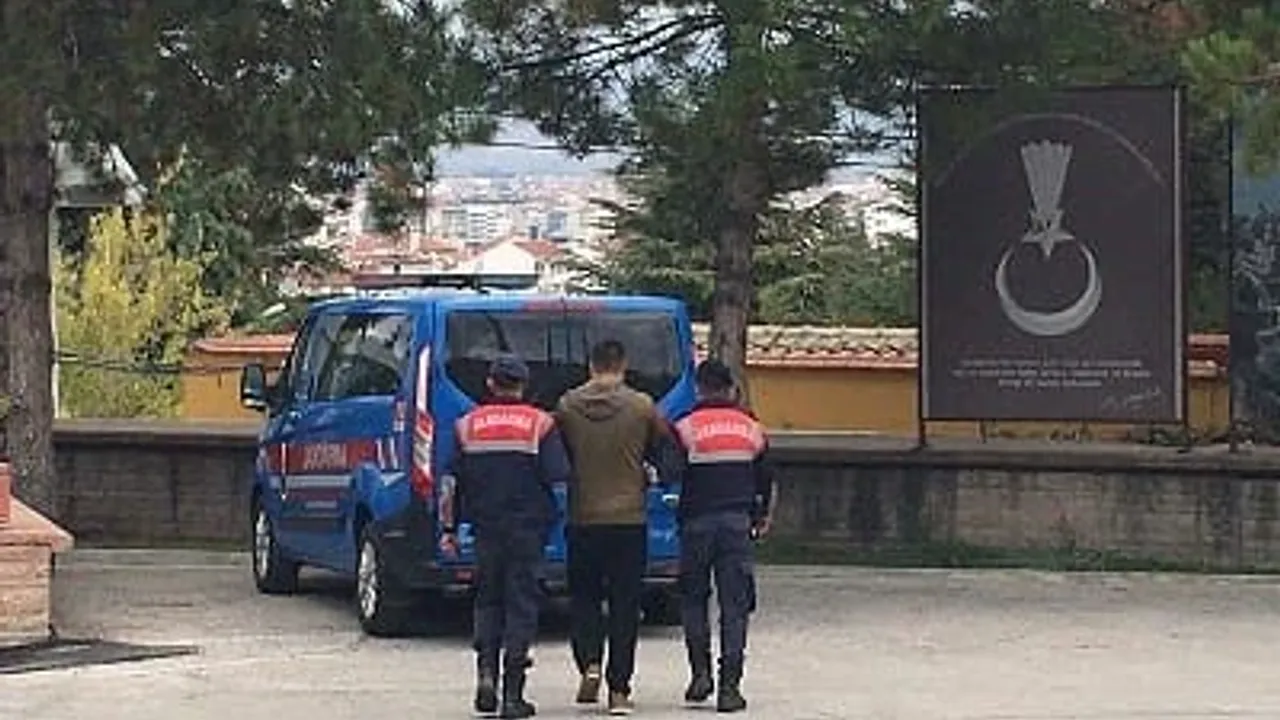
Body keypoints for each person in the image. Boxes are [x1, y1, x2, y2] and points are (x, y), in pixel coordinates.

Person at [440, 353, 571, 719]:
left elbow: (449, 483)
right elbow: (558, 477)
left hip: (486, 528)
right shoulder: (540, 424)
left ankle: (486, 675)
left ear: (490, 384)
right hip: (528, 529)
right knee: (521, 605)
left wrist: (449, 529)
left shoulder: (467, 426)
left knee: (487, 601)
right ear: (523, 385)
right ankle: (513, 694)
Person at [554, 339, 671, 716]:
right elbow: (663, 448)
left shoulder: (567, 406)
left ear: (591, 365)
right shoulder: (642, 406)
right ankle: (619, 689)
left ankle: (589, 661)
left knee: (584, 597)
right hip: (628, 519)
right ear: (623, 364)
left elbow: (559, 455)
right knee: (625, 604)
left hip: (583, 517)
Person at [668, 359, 775, 713]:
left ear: (698, 389)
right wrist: (761, 517)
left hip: (696, 524)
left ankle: (700, 675)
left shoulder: (684, 428)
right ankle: (730, 687)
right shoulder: (751, 428)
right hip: (736, 525)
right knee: (735, 605)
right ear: (730, 388)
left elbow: (670, 473)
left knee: (693, 599)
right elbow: (766, 479)